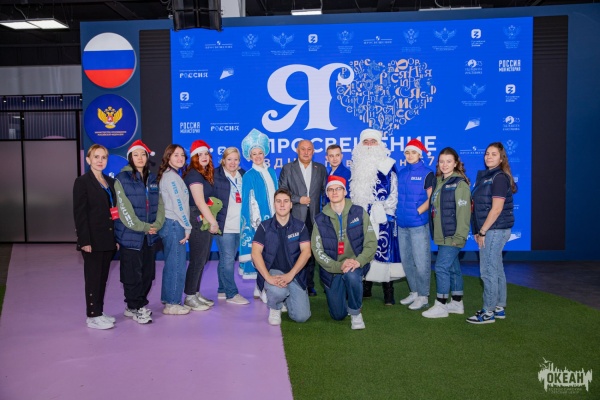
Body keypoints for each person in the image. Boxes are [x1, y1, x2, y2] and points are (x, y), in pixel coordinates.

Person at [312, 176, 377, 330]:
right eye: (330, 189)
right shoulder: (320, 219)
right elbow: (317, 251)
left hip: (355, 265)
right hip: (333, 269)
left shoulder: (359, 212)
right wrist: (338, 266)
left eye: (338, 188)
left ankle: (355, 313)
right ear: (327, 194)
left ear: (345, 191)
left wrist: (358, 261)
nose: (334, 192)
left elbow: (371, 243)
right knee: (338, 315)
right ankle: (345, 293)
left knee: (352, 276)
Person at [114, 140, 165, 324]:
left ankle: (136, 305)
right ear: (130, 157)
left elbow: (160, 204)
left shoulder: (153, 179)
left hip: (149, 235)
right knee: (131, 274)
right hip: (131, 235)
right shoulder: (121, 179)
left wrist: (157, 224)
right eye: (136, 155)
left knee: (147, 273)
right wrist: (143, 226)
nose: (140, 158)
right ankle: (136, 306)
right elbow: (124, 209)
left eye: (143, 154)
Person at [467, 142, 517, 324]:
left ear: (501, 158)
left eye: (494, 154)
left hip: (494, 230)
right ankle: (499, 307)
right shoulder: (486, 176)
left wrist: (482, 231)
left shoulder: (499, 177)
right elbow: (477, 207)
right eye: (487, 153)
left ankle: (488, 312)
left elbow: (496, 209)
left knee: (488, 270)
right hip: (492, 229)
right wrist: (477, 230)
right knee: (496, 268)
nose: (489, 157)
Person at [349, 128, 401, 305]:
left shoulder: (388, 164)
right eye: (366, 142)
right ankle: (367, 286)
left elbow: (394, 190)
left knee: (383, 251)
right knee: (364, 250)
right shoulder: (356, 165)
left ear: (379, 144)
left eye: (373, 141)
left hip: (381, 216)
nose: (370, 145)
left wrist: (387, 212)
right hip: (362, 215)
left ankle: (388, 291)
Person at [73, 144, 118, 330]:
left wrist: (115, 238)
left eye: (103, 157)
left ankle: (99, 311)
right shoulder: (82, 182)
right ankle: (92, 315)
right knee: (93, 278)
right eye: (96, 157)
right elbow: (80, 214)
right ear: (88, 159)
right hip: (92, 239)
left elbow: (113, 211)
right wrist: (84, 241)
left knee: (102, 278)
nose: (100, 161)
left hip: (108, 238)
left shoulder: (110, 182)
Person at [422, 147, 471, 319]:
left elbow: (464, 213)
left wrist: (460, 236)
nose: (444, 164)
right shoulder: (439, 181)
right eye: (441, 161)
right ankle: (457, 303)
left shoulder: (460, 184)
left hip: (453, 235)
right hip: (442, 235)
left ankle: (441, 305)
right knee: (453, 267)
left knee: (441, 267)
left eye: (449, 161)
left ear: (456, 163)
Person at [251, 188, 312, 326]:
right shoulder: (264, 226)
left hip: (295, 273)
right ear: (274, 204)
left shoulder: (300, 226)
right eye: (278, 201)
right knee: (277, 291)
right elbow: (255, 253)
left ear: (291, 204)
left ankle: (286, 298)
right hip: (273, 272)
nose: (282, 204)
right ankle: (275, 307)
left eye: (286, 201)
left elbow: (306, 252)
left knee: (302, 317)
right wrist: (268, 277)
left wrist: (291, 274)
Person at [278, 140, 327, 296]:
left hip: (313, 218)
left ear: (313, 152)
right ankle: (295, 282)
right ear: (297, 151)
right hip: (294, 218)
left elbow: (325, 193)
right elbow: (282, 192)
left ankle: (309, 284)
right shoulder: (288, 168)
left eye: (309, 149)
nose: (306, 152)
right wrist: (299, 199)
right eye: (303, 149)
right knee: (293, 252)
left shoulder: (320, 169)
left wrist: (325, 214)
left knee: (310, 253)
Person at [396, 139, 435, 311]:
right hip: (402, 224)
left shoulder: (427, 173)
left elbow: (432, 198)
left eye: (413, 152)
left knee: (421, 262)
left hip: (418, 224)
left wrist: (419, 211)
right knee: (407, 261)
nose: (410, 155)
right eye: (407, 152)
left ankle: (423, 296)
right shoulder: (402, 173)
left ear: (420, 154)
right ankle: (414, 291)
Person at [239, 128, 278, 290]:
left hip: (275, 219)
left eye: (260, 153)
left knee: (272, 254)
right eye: (254, 154)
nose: (257, 156)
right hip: (259, 222)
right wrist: (257, 223)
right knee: (261, 253)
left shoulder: (272, 172)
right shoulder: (248, 175)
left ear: (264, 153)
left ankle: (261, 288)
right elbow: (248, 202)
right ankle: (261, 288)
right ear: (249, 156)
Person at [182, 140, 218, 311]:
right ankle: (189, 296)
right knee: (197, 259)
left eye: (206, 154)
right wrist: (213, 221)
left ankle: (195, 293)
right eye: (199, 154)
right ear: (193, 157)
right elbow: (199, 202)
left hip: (202, 218)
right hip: (196, 219)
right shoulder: (194, 175)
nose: (204, 157)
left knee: (202, 259)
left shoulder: (203, 174)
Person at [157, 144, 192, 315]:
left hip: (172, 224)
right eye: (176, 155)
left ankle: (169, 299)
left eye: (182, 155)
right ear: (168, 157)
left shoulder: (172, 175)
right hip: (174, 224)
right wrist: (187, 226)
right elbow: (179, 206)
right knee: (177, 264)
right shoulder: (171, 177)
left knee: (172, 263)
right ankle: (172, 303)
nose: (180, 158)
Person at [213, 147, 249, 305]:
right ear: (223, 160)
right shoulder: (215, 175)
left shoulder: (243, 175)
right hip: (224, 225)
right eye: (229, 159)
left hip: (240, 225)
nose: (233, 163)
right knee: (228, 259)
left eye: (236, 159)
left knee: (226, 258)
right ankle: (231, 293)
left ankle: (222, 289)